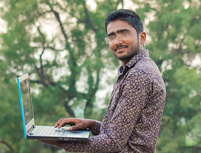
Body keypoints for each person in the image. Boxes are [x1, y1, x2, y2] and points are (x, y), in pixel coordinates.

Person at [42, 9, 166, 152]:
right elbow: (124, 132)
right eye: (112, 37)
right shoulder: (133, 69)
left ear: (142, 37)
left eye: (124, 33)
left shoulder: (139, 74)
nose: (117, 41)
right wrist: (92, 125)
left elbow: (113, 143)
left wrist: (61, 141)